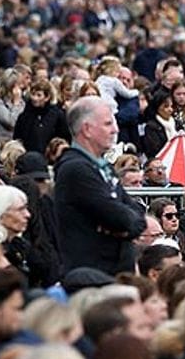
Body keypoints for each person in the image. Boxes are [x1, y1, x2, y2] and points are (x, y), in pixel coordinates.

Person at [51, 97, 145, 274]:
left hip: (115, 274)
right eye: (108, 124)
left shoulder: (104, 167)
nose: (115, 130)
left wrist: (127, 226)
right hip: (92, 276)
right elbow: (121, 218)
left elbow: (137, 215)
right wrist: (125, 223)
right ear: (87, 129)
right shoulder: (76, 169)